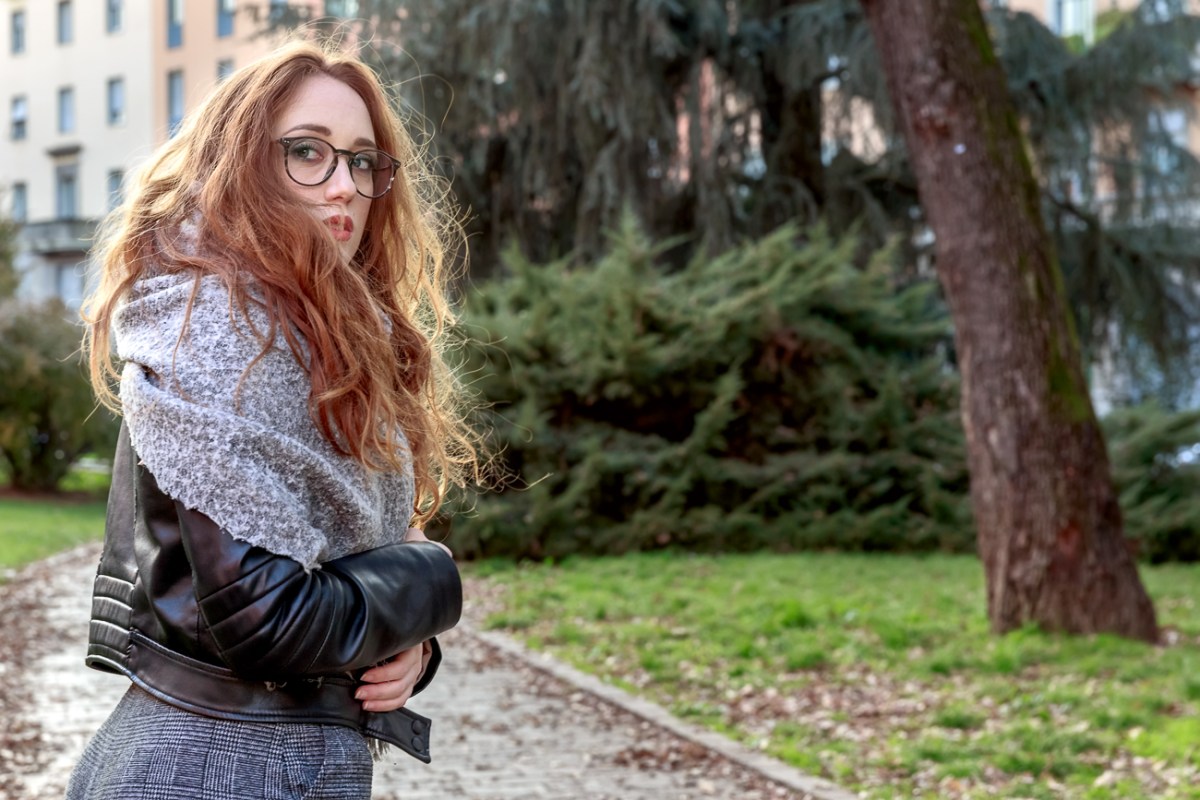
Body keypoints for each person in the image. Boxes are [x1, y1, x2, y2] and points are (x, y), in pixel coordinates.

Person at [68, 39, 477, 800]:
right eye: (307, 152)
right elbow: (269, 617)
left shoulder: (313, 332)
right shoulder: (214, 329)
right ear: (240, 165)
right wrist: (432, 580)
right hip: (220, 766)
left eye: (362, 161)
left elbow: (343, 560)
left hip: (249, 756)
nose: (345, 186)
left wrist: (407, 648)